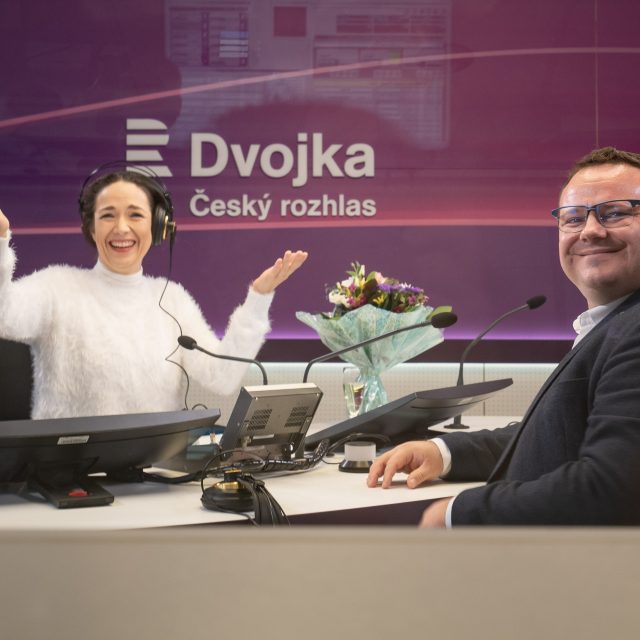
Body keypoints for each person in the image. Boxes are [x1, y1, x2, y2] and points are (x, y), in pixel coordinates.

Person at [367, 146, 640, 526]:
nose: (591, 231)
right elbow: (555, 437)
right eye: (574, 218)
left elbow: (610, 490)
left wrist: (456, 513)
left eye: (616, 212)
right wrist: (443, 452)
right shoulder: (614, 323)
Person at [0, 169, 307, 419]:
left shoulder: (171, 299)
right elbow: (5, 315)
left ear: (159, 227)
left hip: (155, 471)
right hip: (71, 470)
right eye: (107, 216)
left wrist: (258, 298)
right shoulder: (56, 286)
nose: (121, 228)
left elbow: (222, 377)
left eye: (135, 215)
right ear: (91, 228)